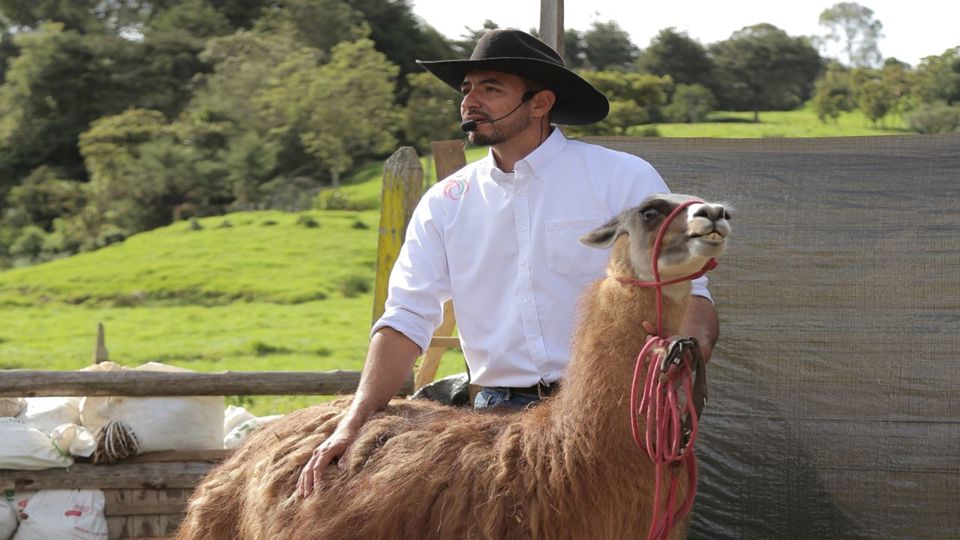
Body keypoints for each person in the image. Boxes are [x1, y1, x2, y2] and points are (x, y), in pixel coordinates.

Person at [296, 29, 718, 498]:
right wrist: (354, 418)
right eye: (466, 89)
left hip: (608, 416)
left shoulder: (622, 177)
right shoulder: (445, 203)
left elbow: (691, 296)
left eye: (490, 88)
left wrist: (681, 373)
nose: (470, 101)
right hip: (493, 428)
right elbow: (406, 318)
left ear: (540, 103)